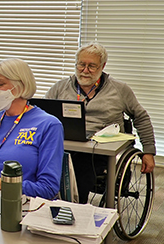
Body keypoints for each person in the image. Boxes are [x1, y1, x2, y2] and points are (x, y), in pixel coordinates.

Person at [45, 42, 156, 203]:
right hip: (65, 145)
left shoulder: (119, 90)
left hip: (99, 151)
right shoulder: (60, 87)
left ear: (102, 66)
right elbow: (43, 115)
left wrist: (149, 151)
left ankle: (74, 210)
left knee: (79, 168)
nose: (85, 70)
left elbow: (141, 117)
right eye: (81, 64)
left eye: (92, 66)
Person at [0, 58, 64, 199]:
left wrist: (1, 184)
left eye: (0, 84)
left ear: (21, 86)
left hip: (21, 204)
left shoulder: (48, 125)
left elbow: (48, 188)